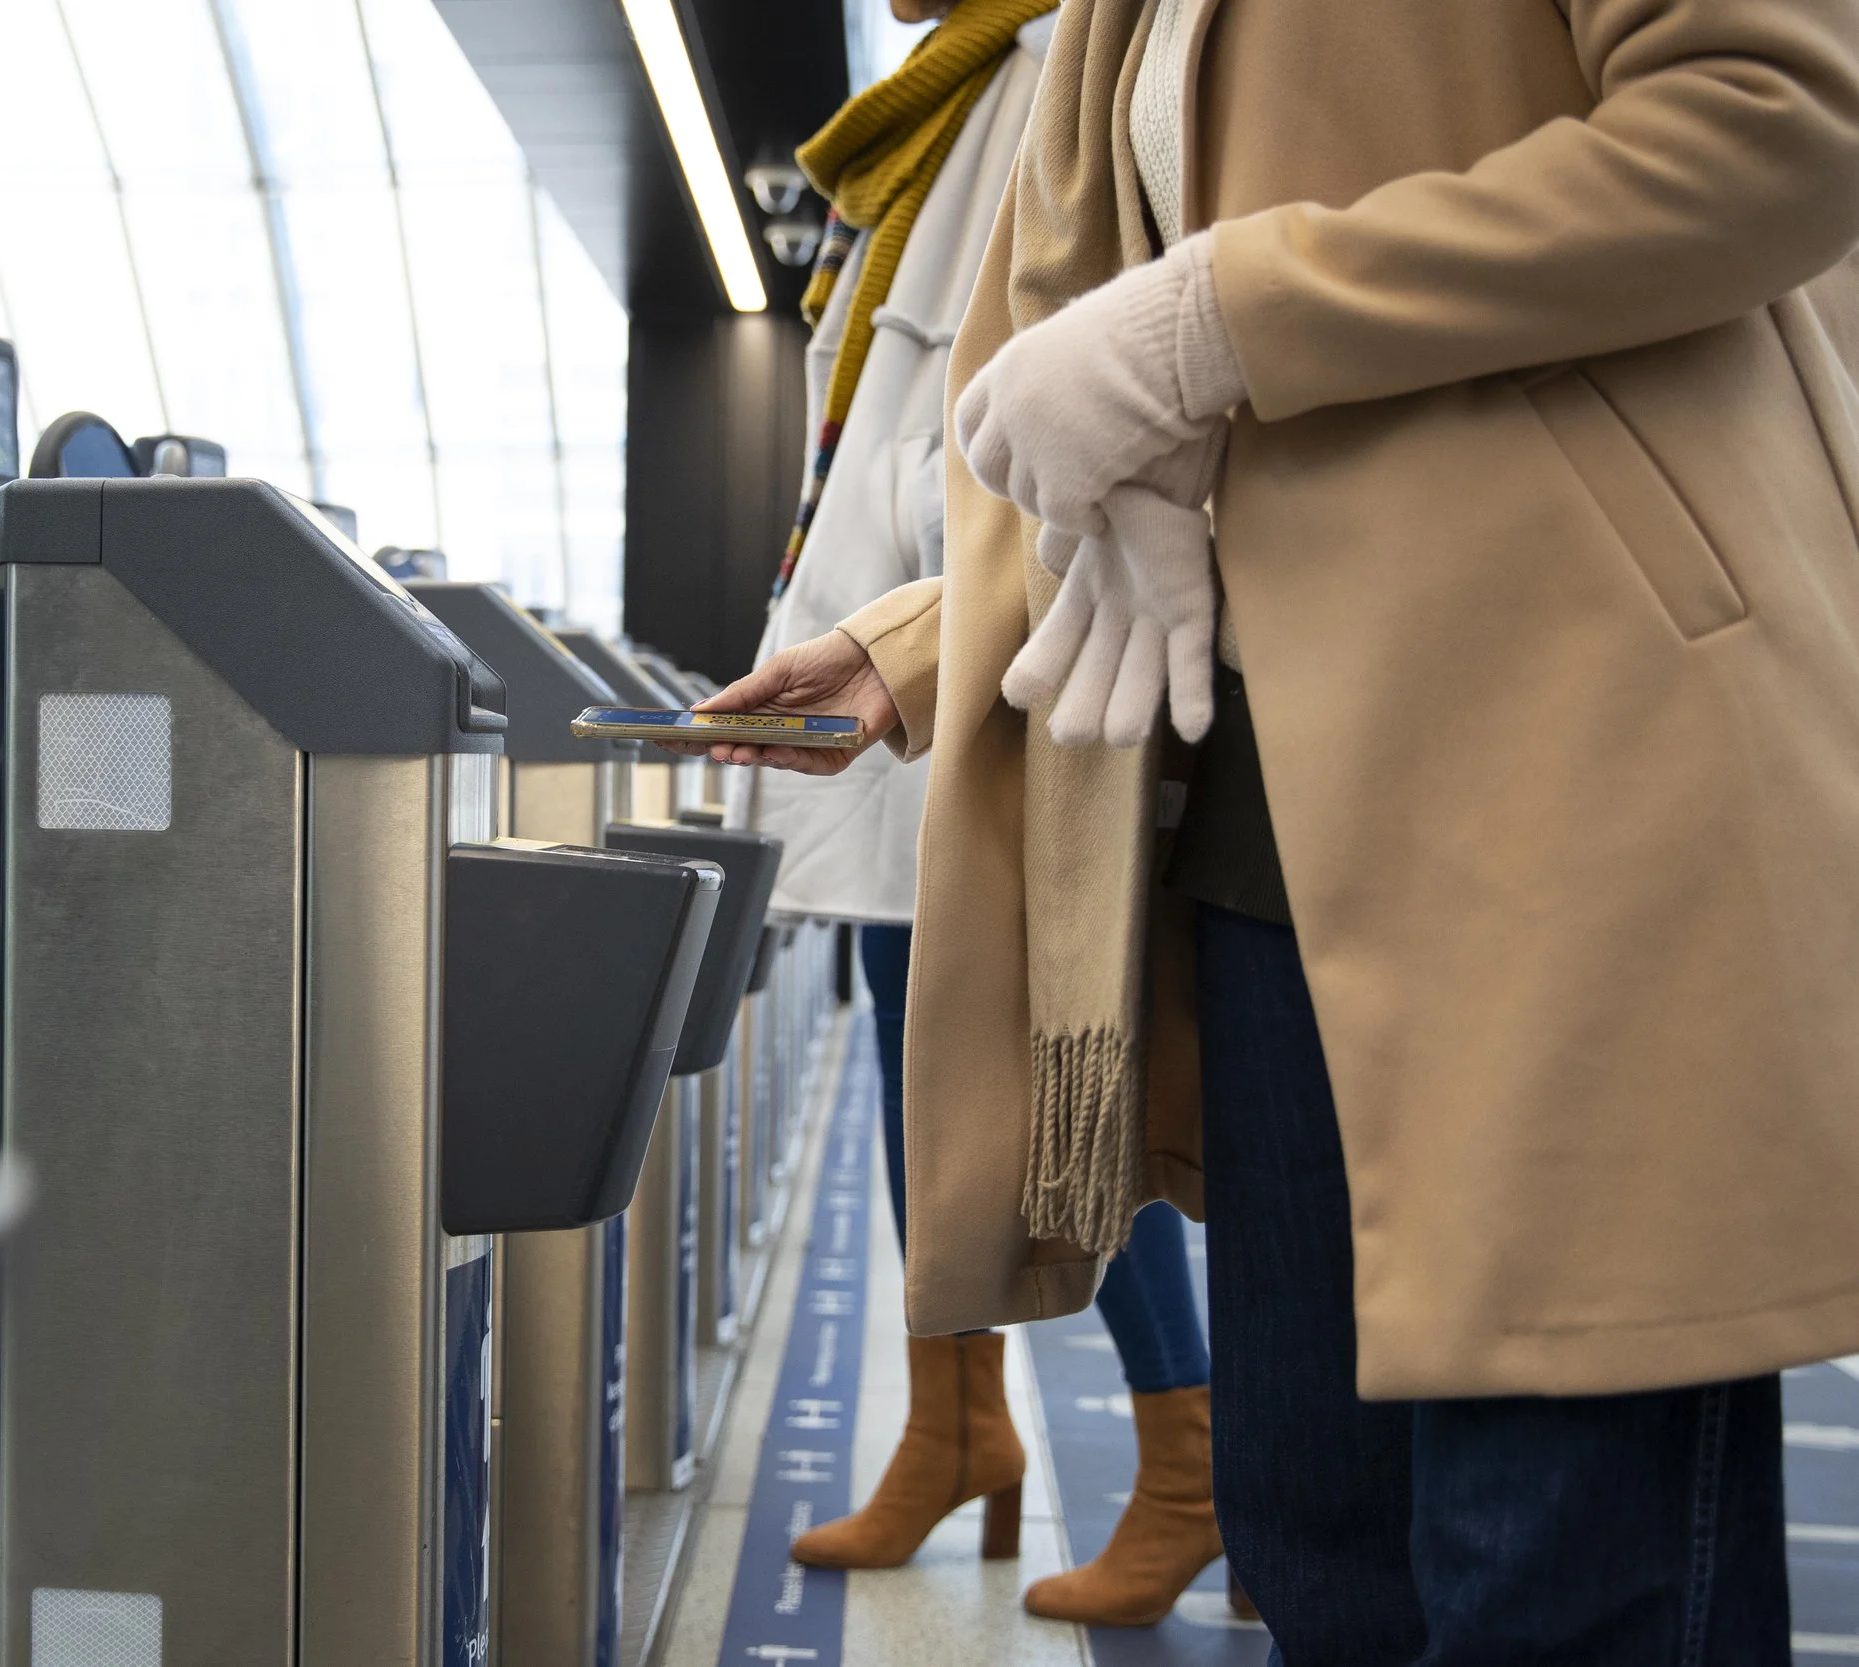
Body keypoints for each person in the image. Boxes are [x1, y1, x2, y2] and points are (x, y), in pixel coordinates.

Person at [684, 0, 1859, 1657]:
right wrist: (920, 642)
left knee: (1556, 1573)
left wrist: (1216, 319)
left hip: (1568, 784)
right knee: (1326, 1556)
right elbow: (1192, 446)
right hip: (1269, 828)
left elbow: (1782, 125)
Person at [747, 0, 1232, 1629]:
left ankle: (1193, 1456)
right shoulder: (945, 93)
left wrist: (916, 594)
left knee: (1055, 1089)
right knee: (924, 1071)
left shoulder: (1054, 67)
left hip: (985, 630)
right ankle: (956, 1428)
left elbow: (1015, 372)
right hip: (901, 636)